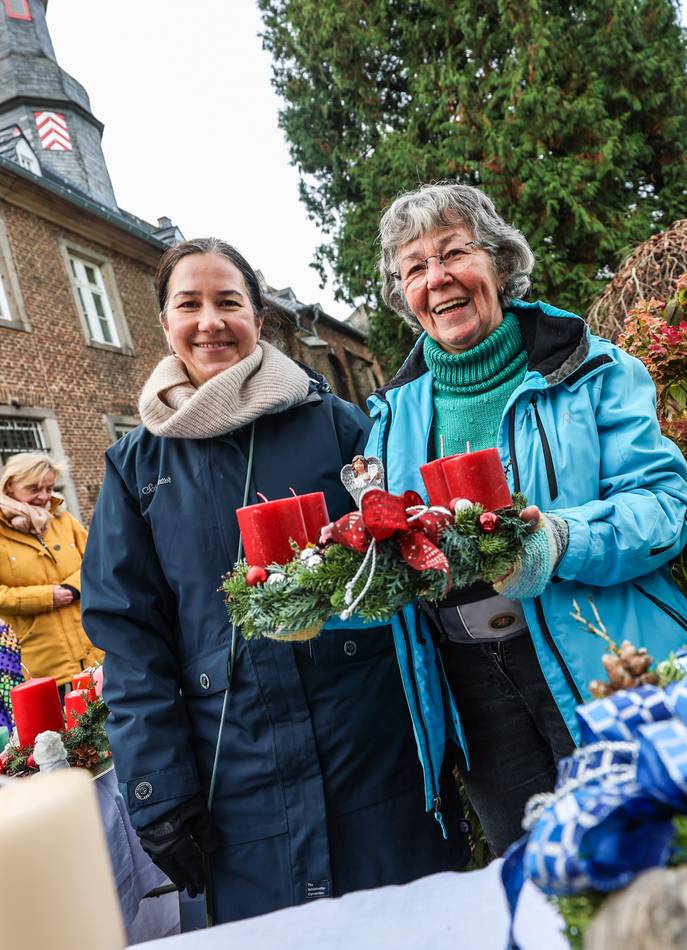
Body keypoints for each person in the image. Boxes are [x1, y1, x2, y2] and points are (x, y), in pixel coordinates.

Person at [81, 238, 466, 925]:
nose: (210, 321)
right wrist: (157, 790)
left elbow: (405, 555)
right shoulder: (136, 466)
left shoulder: (339, 427)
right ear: (164, 324)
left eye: (229, 301)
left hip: (372, 755)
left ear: (257, 317)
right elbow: (130, 638)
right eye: (188, 304)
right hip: (238, 780)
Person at [365, 182, 687, 855]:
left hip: (602, 658)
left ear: (498, 261)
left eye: (454, 252)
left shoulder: (592, 369)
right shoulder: (389, 418)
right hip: (471, 691)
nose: (437, 280)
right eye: (414, 268)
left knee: (653, 862)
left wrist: (560, 538)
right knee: (541, 876)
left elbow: (666, 508)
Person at [0, 452, 102, 695]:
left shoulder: (63, 520)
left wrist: (71, 589)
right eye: (34, 488)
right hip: (38, 667)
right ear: (10, 485)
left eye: (49, 487)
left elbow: (97, 561)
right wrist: (47, 597)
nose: (44, 496)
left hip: (93, 655)